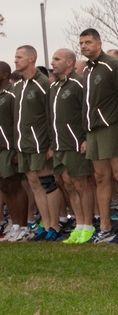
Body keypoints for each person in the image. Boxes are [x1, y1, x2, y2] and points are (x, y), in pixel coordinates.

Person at [79, 28, 118, 243]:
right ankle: (105, 226)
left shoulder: (112, 65)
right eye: (82, 43)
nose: (84, 46)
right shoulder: (88, 69)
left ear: (99, 43)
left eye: (88, 42)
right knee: (101, 178)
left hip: (111, 128)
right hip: (93, 131)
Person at [11, 45, 63, 241]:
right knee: (34, 184)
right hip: (24, 144)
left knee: (47, 182)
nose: (15, 60)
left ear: (31, 58)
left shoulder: (43, 83)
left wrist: (51, 143)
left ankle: (55, 226)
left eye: (19, 57)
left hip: (40, 142)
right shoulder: (19, 85)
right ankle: (46, 224)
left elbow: (51, 115)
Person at [49, 48, 96, 244]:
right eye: (52, 59)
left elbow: (88, 112)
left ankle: (88, 225)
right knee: (68, 184)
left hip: (75, 143)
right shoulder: (54, 87)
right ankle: (78, 224)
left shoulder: (78, 83)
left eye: (57, 59)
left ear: (69, 62)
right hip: (59, 145)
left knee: (81, 184)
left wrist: (86, 138)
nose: (53, 62)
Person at [0, 61, 31, 242]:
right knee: (4, 187)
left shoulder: (12, 94)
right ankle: (15, 225)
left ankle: (23, 226)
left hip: (10, 147)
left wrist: (18, 148)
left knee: (14, 185)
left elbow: (19, 122)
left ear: (4, 74)